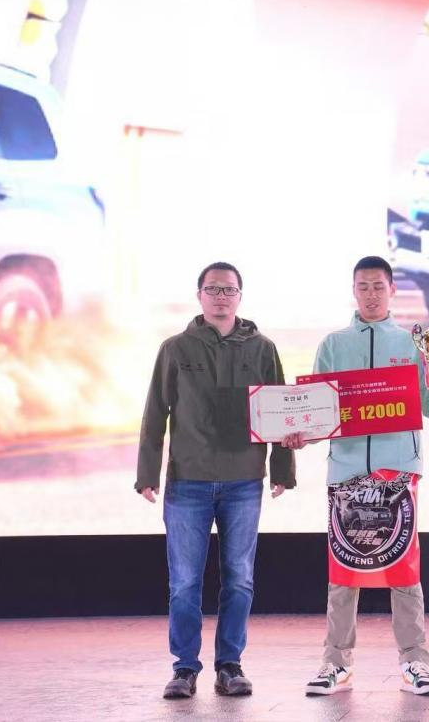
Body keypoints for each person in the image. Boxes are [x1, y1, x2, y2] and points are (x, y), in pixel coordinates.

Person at [283, 256, 429, 698]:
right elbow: (317, 410)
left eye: (379, 286)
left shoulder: (415, 343)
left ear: (392, 290)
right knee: (343, 571)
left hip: (398, 472)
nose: (371, 294)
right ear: (354, 291)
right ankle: (336, 664)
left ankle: (415, 662)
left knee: (404, 569)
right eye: (363, 286)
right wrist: (300, 434)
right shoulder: (334, 344)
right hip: (347, 471)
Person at [135, 261, 295, 700]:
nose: (221, 296)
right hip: (188, 481)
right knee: (184, 583)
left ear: (240, 296)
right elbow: (155, 414)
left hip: (244, 481)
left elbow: (281, 412)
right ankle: (184, 668)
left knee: (239, 578)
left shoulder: (262, 349)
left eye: (229, 289)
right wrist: (147, 473)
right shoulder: (175, 349)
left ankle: (230, 665)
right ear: (199, 295)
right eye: (213, 289)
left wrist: (283, 470)